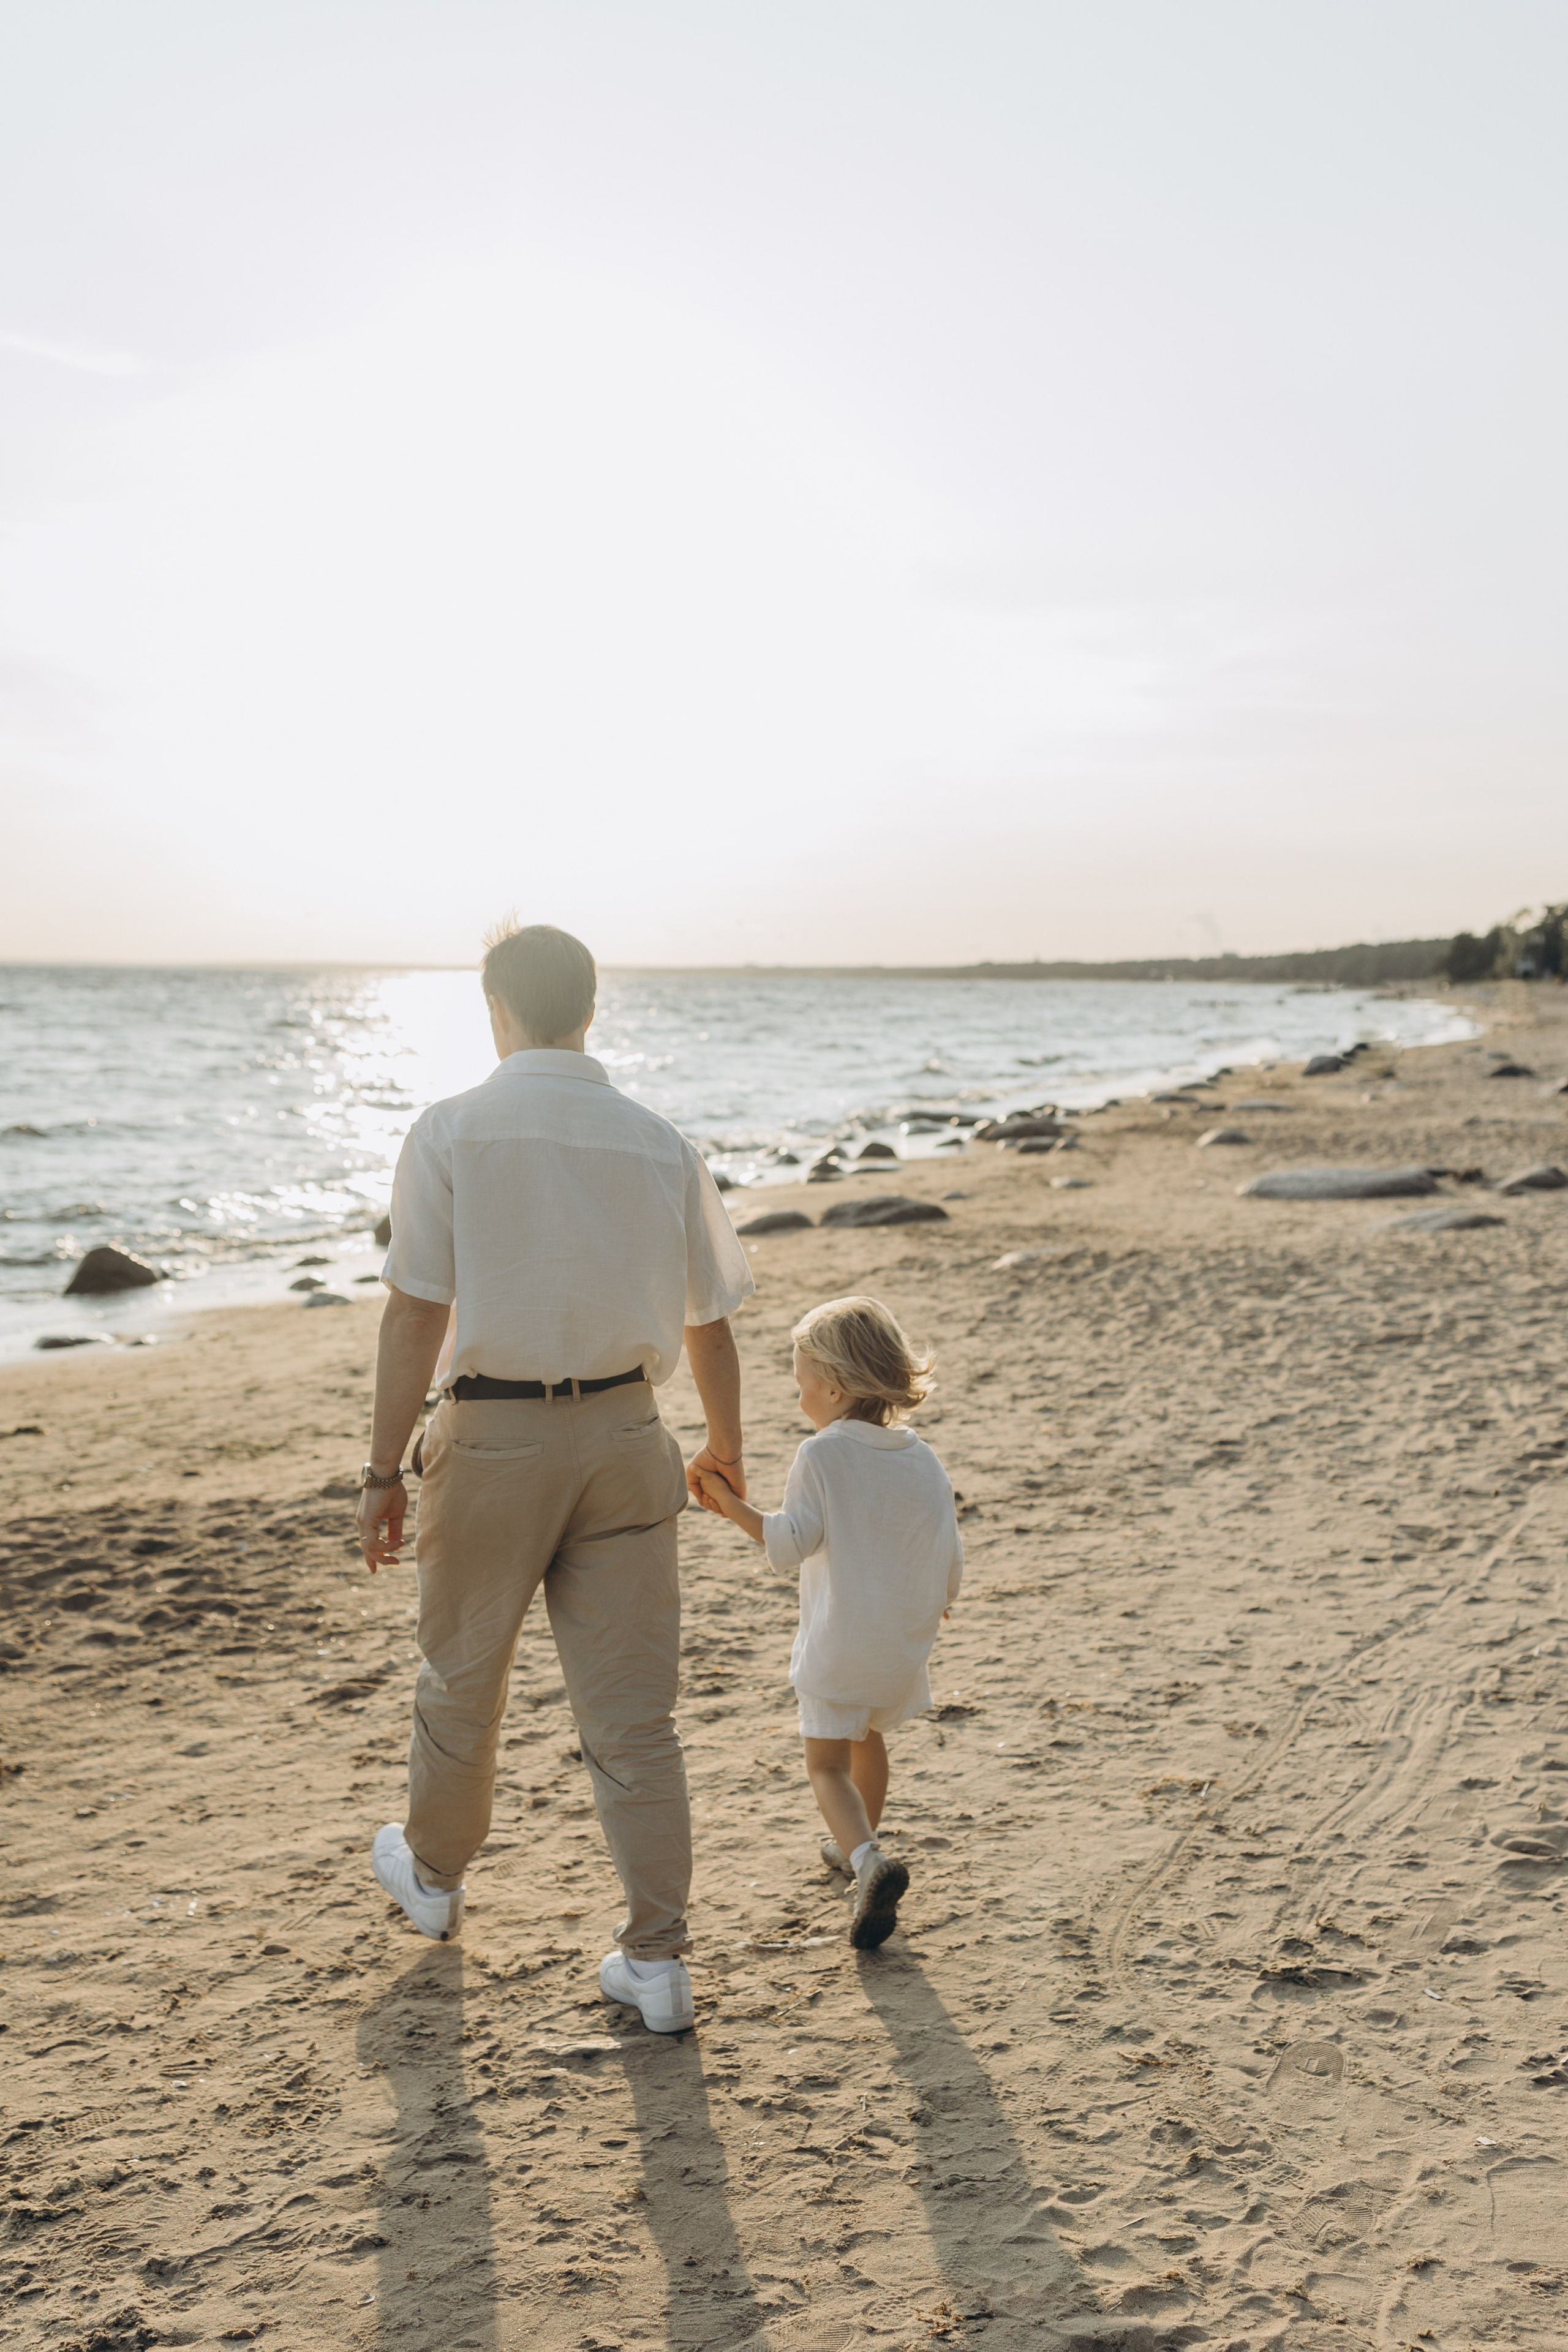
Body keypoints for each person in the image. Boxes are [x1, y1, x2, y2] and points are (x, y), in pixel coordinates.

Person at [355, 921, 753, 2035]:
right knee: (636, 1717)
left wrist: (382, 1473)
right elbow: (711, 1323)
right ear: (592, 1007)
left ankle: (433, 1878)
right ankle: (659, 1958)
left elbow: (414, 1312)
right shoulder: (657, 1141)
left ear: (497, 1010)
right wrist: (722, 1449)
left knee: (462, 1676)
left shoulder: (453, 1130)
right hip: (631, 1436)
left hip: (493, 1441)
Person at [695, 1294, 962, 1949]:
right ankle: (855, 1846)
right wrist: (937, 1600)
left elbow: (787, 1546)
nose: (799, 1400)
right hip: (901, 1640)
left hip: (839, 1641)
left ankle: (869, 1861)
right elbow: (948, 1550)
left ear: (835, 1388)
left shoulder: (820, 1455)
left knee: (825, 1766)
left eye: (801, 1387)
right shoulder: (920, 1456)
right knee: (866, 1734)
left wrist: (730, 1504)